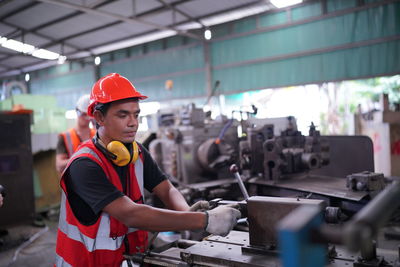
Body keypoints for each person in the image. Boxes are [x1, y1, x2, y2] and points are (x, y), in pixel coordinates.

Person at [55, 73, 241, 267]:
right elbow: (131, 214)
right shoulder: (84, 165)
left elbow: (167, 189)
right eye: (123, 114)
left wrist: (187, 212)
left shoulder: (137, 153)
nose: (133, 122)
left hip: (127, 260)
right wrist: (204, 220)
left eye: (136, 114)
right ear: (99, 117)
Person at [56, 94, 96, 174]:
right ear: (77, 112)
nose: (86, 118)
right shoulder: (65, 136)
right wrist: (82, 158)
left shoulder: (96, 134)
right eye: (83, 114)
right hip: (74, 181)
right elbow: (59, 166)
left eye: (88, 115)